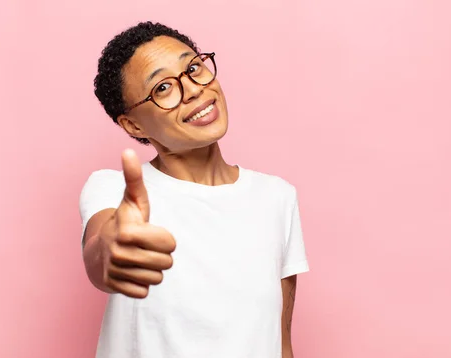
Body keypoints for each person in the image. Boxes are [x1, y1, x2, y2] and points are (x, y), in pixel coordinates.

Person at [80, 21, 309, 358]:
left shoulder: (277, 197)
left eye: (193, 67)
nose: (193, 89)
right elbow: (100, 253)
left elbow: (280, 342)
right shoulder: (113, 189)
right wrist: (111, 252)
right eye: (162, 88)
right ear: (133, 124)